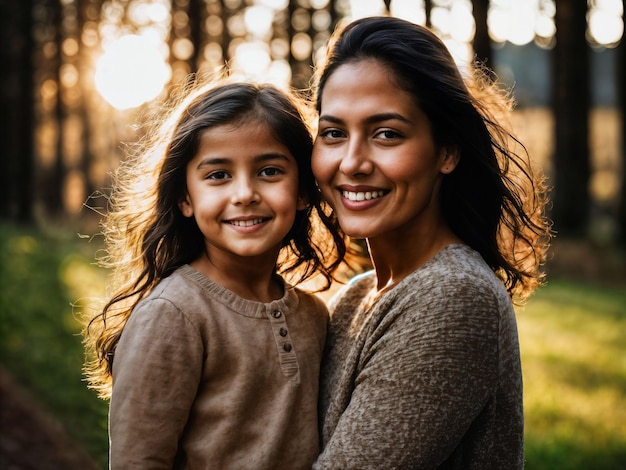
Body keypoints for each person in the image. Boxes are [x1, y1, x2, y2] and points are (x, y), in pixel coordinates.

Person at [310, 16, 552, 469]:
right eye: (334, 133)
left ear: (447, 151)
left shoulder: (454, 295)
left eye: (387, 134)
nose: (352, 162)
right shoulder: (356, 297)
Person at [83, 80, 345, 469]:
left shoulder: (313, 315)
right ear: (185, 198)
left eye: (269, 171)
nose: (244, 193)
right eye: (219, 175)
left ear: (304, 190)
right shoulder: (174, 314)